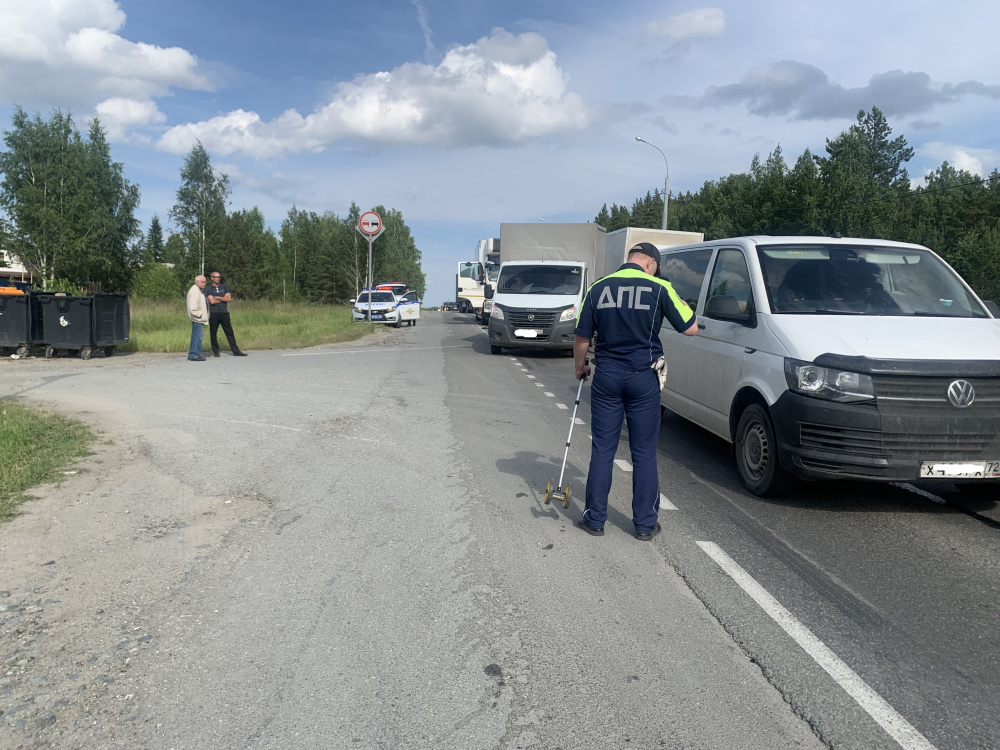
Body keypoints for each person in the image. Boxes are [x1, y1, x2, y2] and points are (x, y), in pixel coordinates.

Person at [573, 242, 699, 540]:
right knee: (643, 452)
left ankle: (595, 520)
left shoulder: (598, 287)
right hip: (644, 378)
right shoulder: (659, 287)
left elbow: (581, 336)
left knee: (603, 449)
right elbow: (690, 327)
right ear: (651, 264)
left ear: (629, 259)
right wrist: (672, 293)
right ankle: (644, 525)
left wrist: (580, 368)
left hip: (607, 377)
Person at [205, 272, 247, 357]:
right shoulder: (209, 289)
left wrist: (218, 297)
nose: (217, 278)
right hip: (214, 313)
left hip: (224, 312)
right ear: (212, 278)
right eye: (215, 277)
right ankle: (216, 351)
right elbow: (211, 301)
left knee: (229, 332)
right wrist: (223, 298)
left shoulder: (224, 287)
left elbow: (229, 299)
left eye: (219, 277)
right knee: (213, 332)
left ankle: (236, 351)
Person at [186, 275, 209, 361]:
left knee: (197, 336)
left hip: (199, 318)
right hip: (197, 318)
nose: (204, 284)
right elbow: (193, 306)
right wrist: (200, 314)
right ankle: (194, 355)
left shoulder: (199, 290)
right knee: (197, 336)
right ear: (197, 282)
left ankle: (194, 354)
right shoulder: (195, 291)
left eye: (205, 282)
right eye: (202, 282)